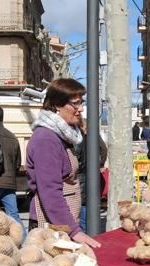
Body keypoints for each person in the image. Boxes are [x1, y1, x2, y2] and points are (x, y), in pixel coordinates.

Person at [26, 78, 101, 248]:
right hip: (50, 227)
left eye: (81, 102)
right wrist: (74, 231)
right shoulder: (46, 139)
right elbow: (50, 190)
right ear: (57, 105)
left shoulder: (62, 136)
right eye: (75, 104)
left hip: (62, 224)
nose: (80, 109)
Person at [75, 119, 108, 232]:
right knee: (89, 204)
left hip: (81, 175)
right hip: (92, 174)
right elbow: (103, 149)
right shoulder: (94, 137)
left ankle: (84, 232)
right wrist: (100, 164)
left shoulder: (78, 140)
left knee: (82, 205)